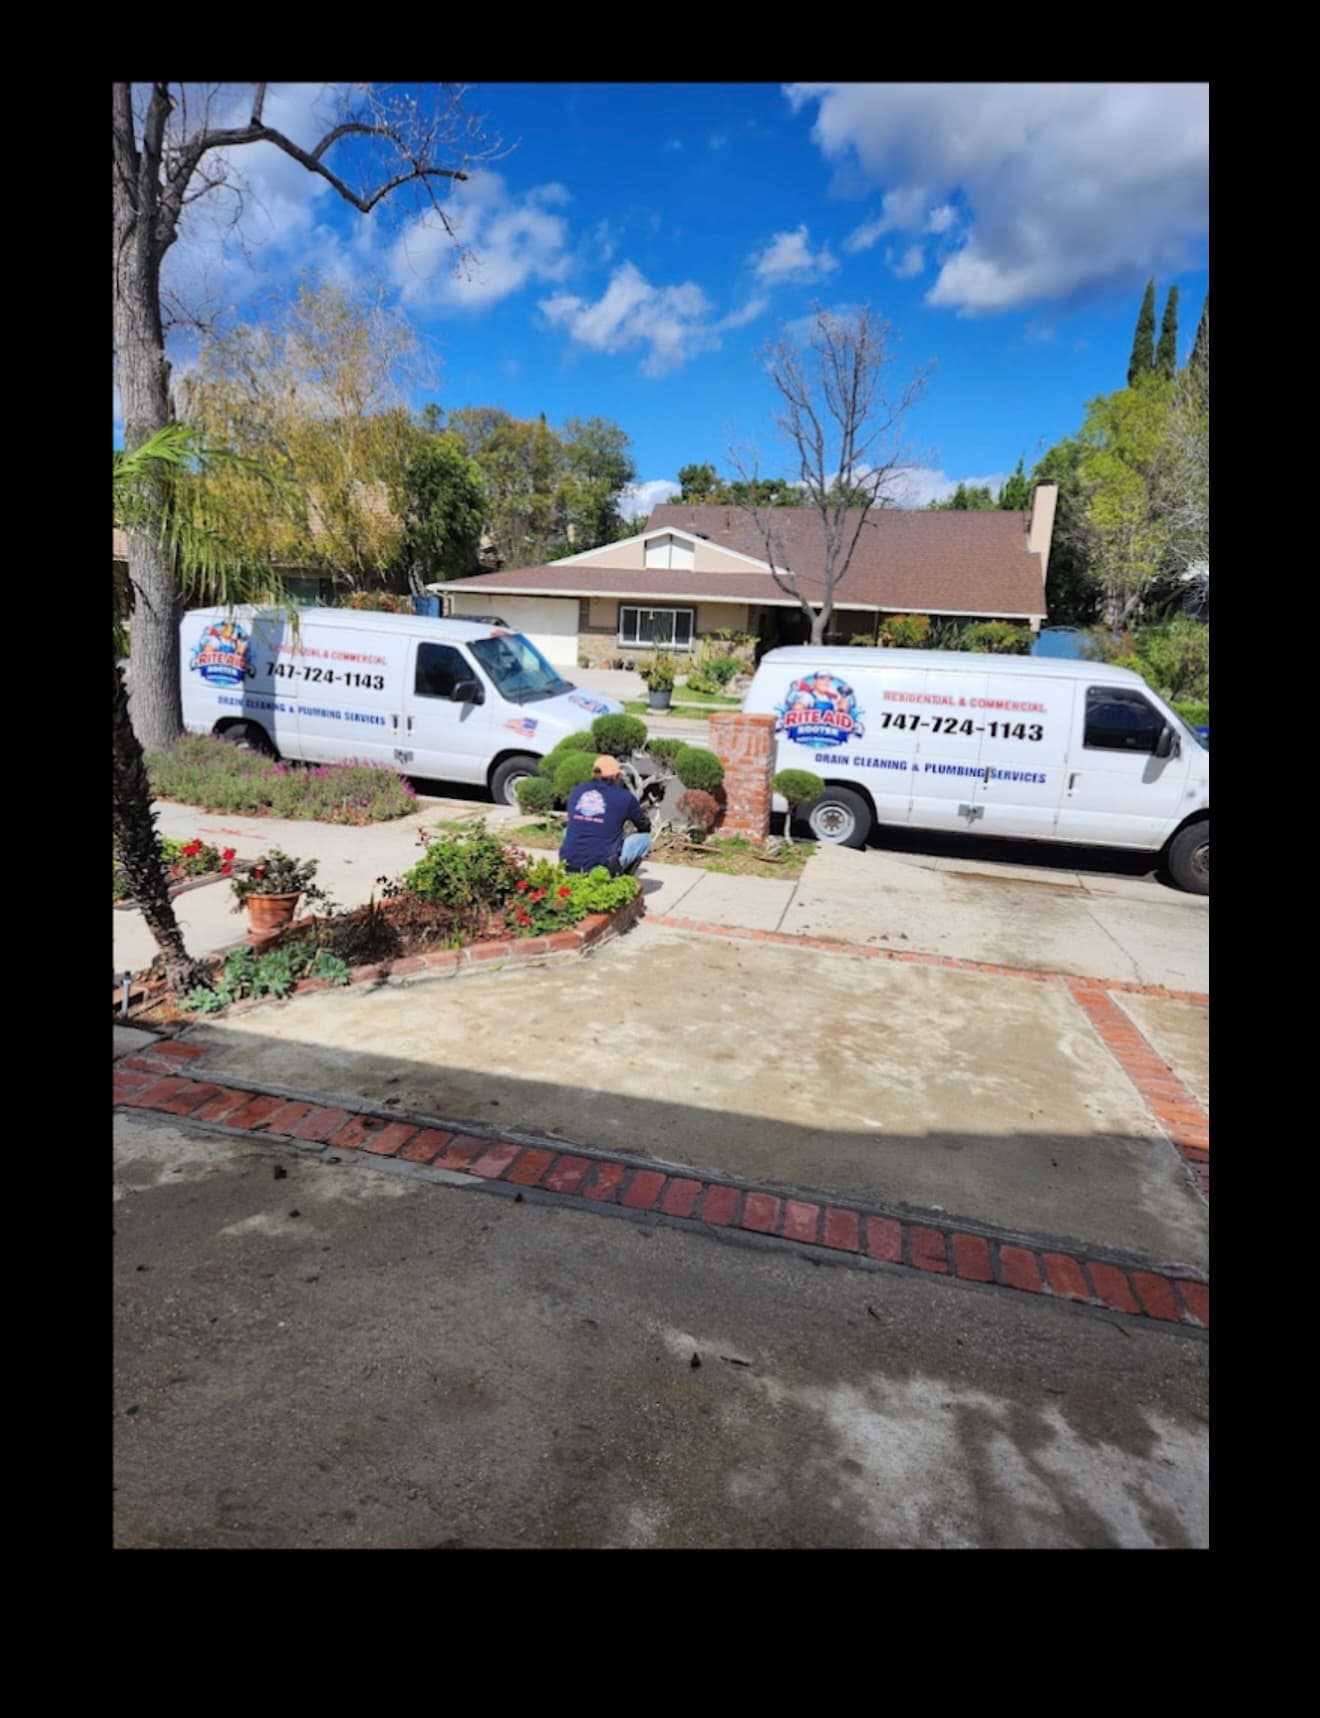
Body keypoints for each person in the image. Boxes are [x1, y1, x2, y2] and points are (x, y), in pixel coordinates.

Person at [560, 755, 652, 876]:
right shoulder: (624, 797)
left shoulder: (576, 791)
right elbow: (644, 825)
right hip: (603, 865)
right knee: (644, 838)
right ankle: (619, 876)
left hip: (568, 862)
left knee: (568, 830)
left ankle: (573, 870)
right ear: (616, 776)